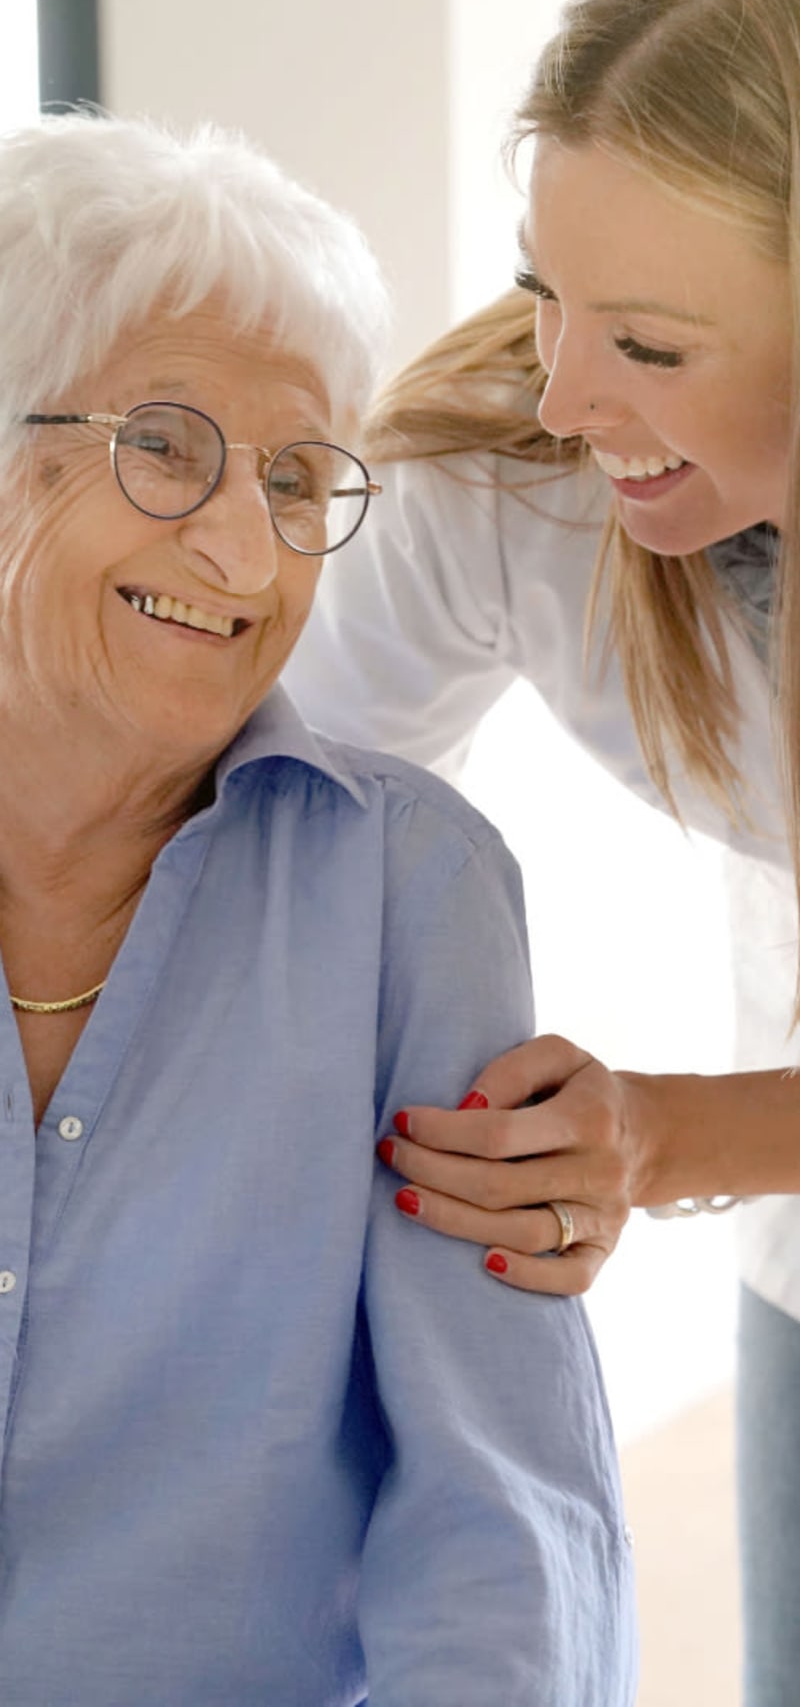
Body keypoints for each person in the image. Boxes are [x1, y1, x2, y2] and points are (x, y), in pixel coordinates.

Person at [0, 110, 637, 1707]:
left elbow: (501, 1515)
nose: (242, 542)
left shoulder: (407, 893)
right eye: (165, 441)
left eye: (297, 477)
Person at [284, 0, 800, 1700]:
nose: (568, 392)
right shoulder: (505, 471)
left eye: (648, 345)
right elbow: (273, 816)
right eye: (541, 289)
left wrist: (663, 1139)